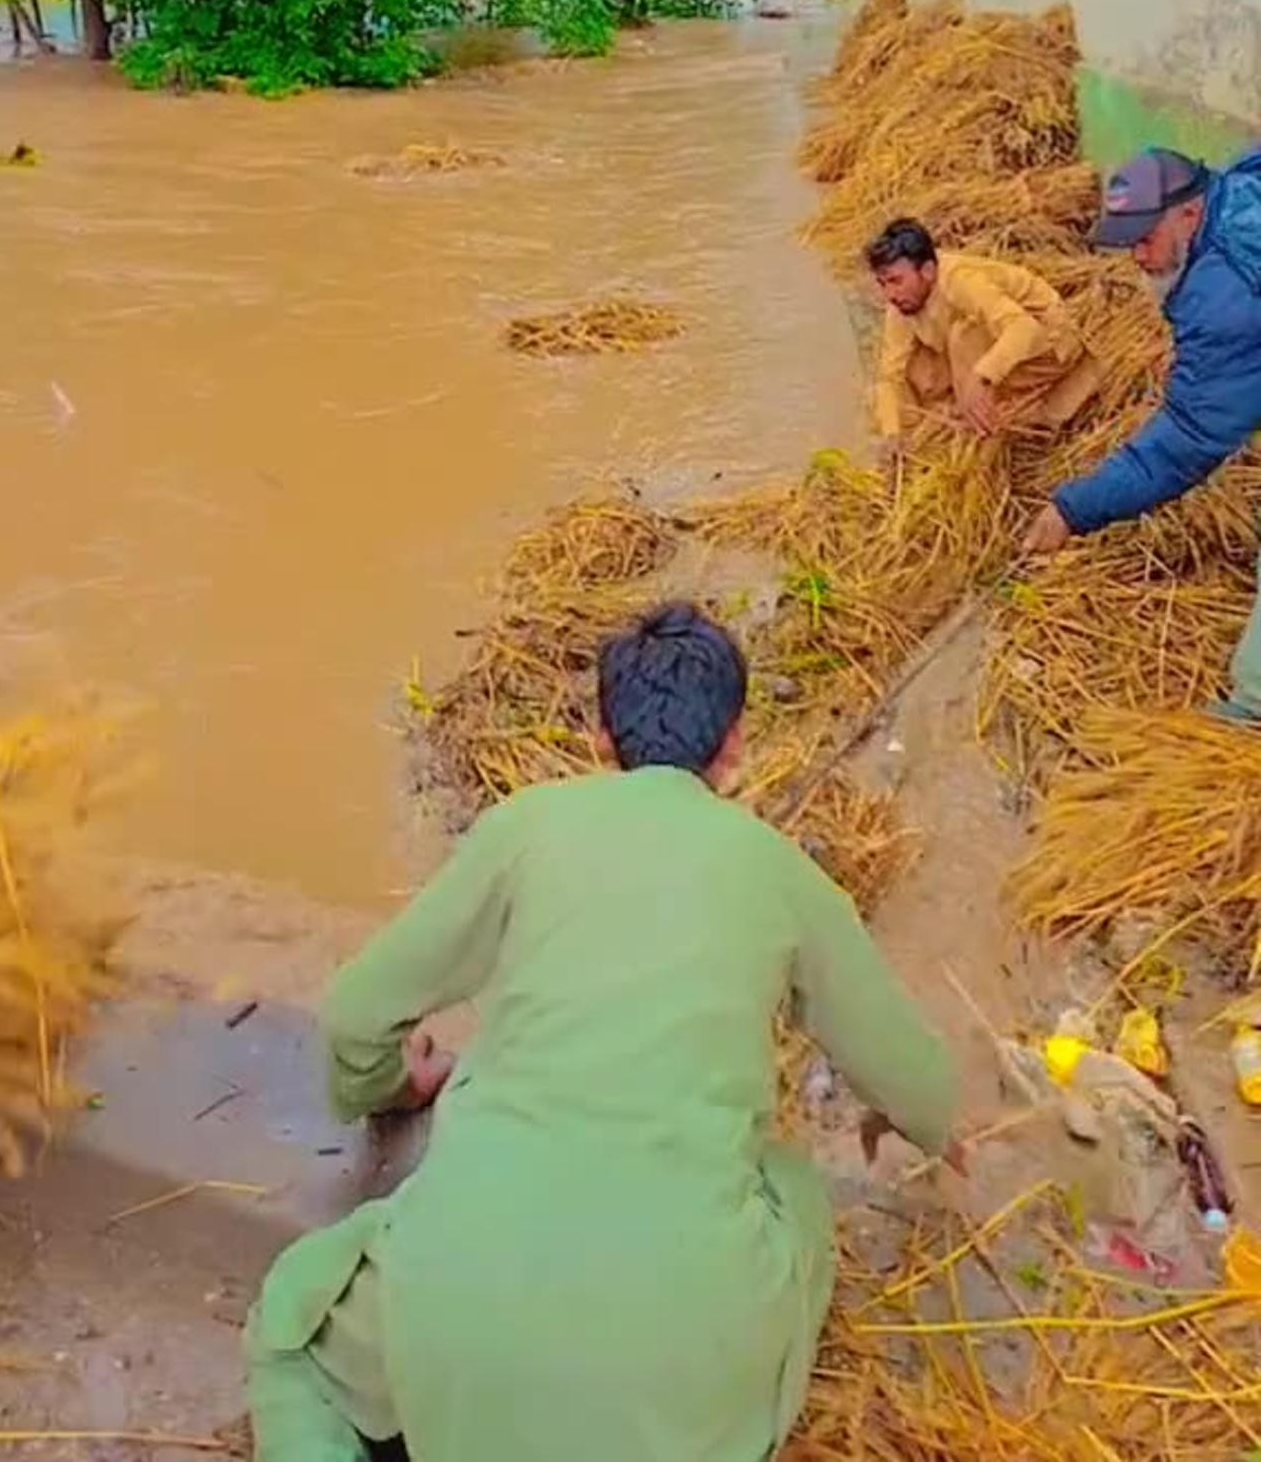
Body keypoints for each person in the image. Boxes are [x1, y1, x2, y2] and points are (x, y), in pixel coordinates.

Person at [245, 603, 960, 1462]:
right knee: (789, 1179)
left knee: (292, 1339)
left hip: (462, 1311)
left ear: (597, 737)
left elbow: (359, 1013)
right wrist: (924, 1123)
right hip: (681, 1367)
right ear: (734, 744)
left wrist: (385, 1089)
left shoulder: (524, 828)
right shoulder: (784, 873)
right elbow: (921, 1085)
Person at [1024, 146, 1261, 723]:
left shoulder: (1224, 294)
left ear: (1188, 213)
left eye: (1144, 238)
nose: (1137, 256)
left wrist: (1071, 510)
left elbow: (1185, 442)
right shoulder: (1237, 186)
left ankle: (1253, 709)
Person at [867, 217, 1098, 444]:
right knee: (910, 372)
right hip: (981, 352)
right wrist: (892, 433)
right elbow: (890, 374)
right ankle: (919, 443)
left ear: (927, 270)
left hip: (1045, 343)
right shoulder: (902, 303)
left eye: (896, 281)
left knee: (963, 336)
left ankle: (988, 422)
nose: (889, 294)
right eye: (882, 283)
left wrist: (983, 376)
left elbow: (1023, 328)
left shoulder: (962, 280)